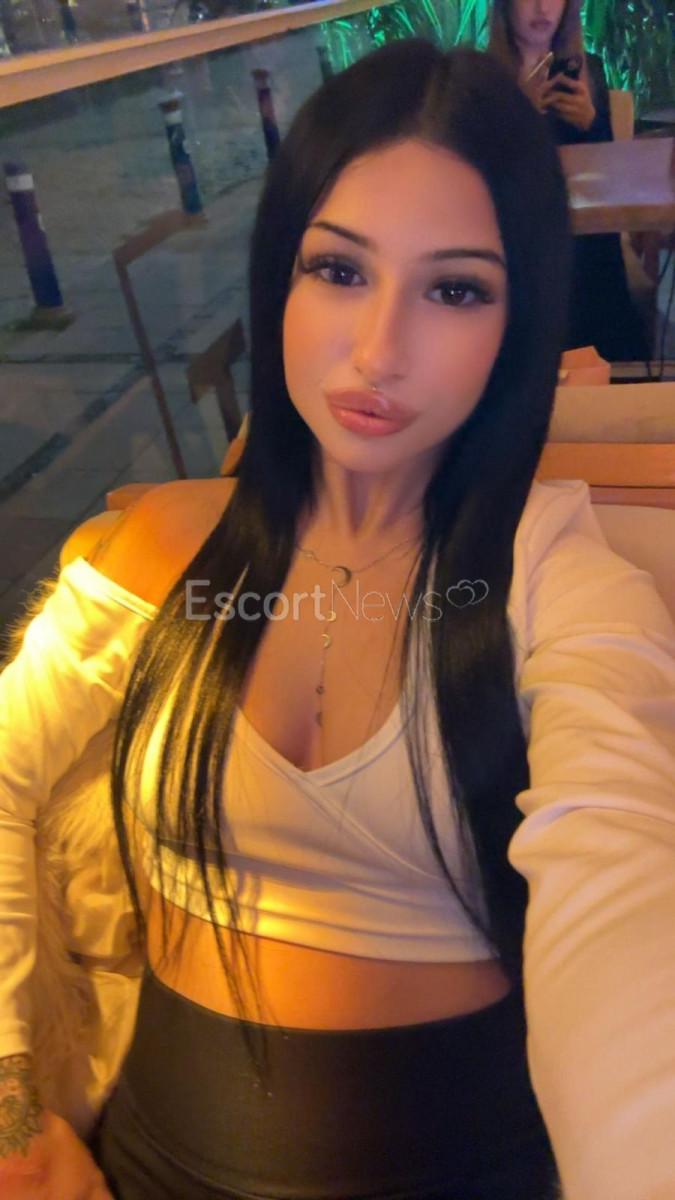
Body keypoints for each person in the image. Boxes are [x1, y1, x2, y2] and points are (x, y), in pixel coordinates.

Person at [1, 38, 674, 1200]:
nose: (378, 352)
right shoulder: (169, 549)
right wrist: (11, 1103)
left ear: (518, 322)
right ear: (280, 275)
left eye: (454, 289)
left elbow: (623, 878)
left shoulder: (559, 586)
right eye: (339, 269)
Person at [488, 0, 651, 362]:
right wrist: (523, 114)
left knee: (595, 244)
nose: (542, 8)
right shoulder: (486, 77)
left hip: (586, 234)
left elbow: (609, 172)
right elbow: (483, 170)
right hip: (519, 234)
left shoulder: (586, 69)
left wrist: (592, 123)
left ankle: (612, 357)